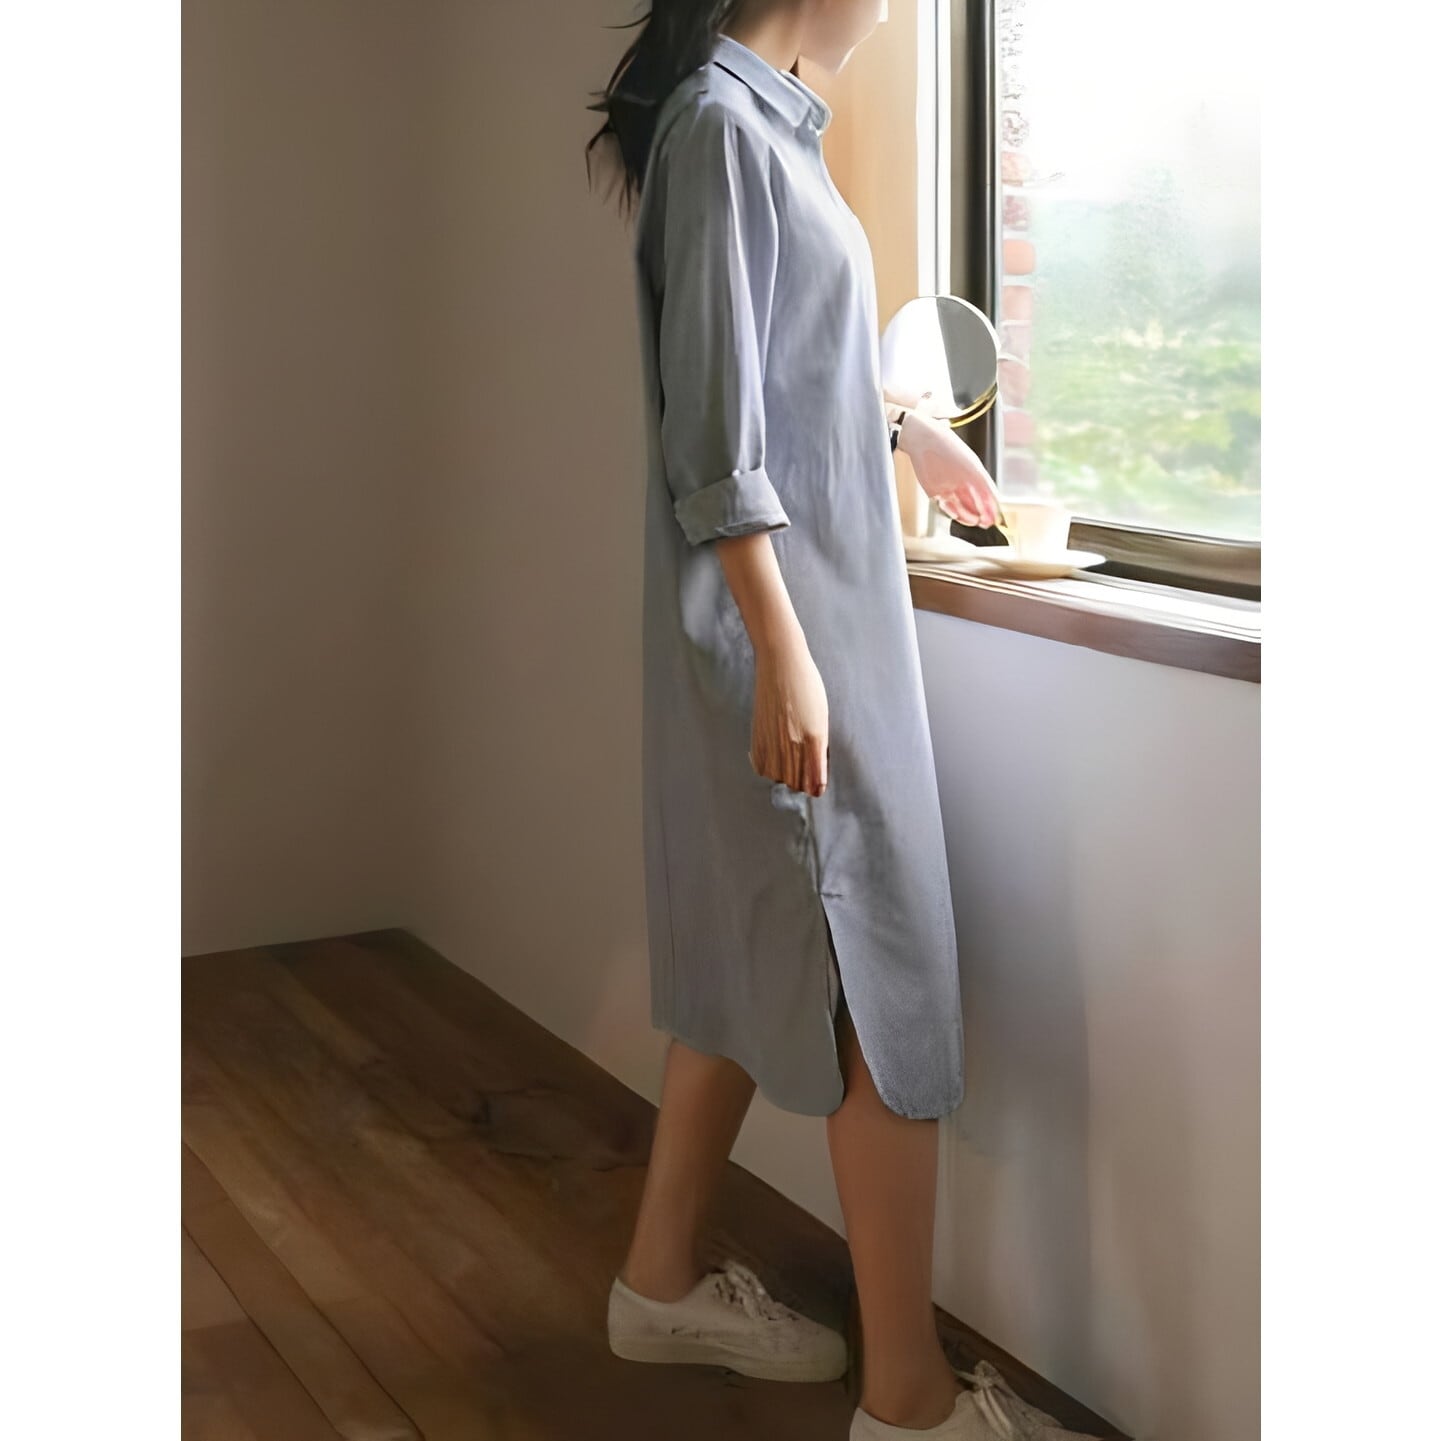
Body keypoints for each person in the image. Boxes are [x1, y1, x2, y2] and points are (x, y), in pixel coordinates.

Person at [584, 6, 1092, 1439]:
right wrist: (785, 655)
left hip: (800, 632)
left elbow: (780, 373)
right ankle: (911, 1401)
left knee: (772, 947)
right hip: (793, 640)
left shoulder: (762, 130)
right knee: (881, 976)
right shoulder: (721, 131)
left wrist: (896, 423)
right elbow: (713, 433)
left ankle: (658, 1280)